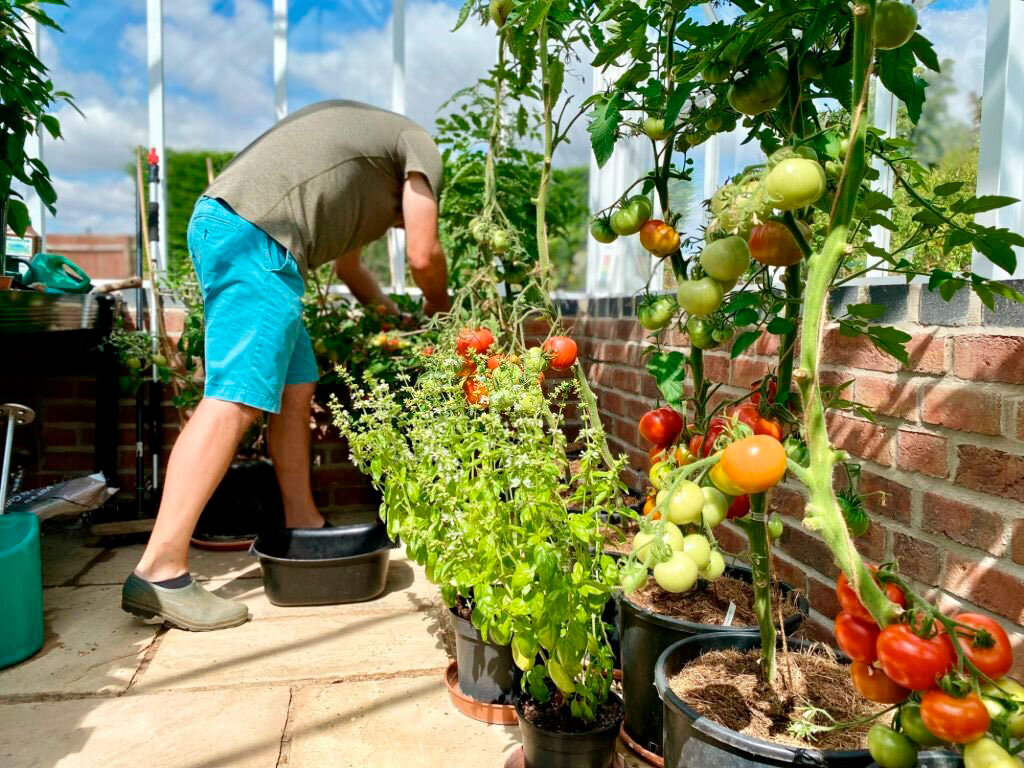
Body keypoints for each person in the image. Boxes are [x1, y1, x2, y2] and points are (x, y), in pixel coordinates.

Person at [121, 100, 450, 631]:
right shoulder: (421, 146)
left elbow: (351, 270)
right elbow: (423, 255)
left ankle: (303, 522)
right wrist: (439, 310)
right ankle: (160, 570)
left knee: (298, 388)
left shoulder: (369, 170)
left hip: (251, 237)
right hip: (258, 239)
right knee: (235, 397)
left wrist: (392, 320)